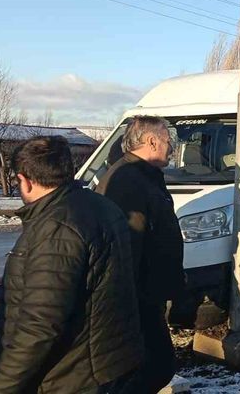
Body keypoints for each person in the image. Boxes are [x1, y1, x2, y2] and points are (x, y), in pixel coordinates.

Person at [0, 136, 141, 393]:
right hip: (104, 363)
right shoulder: (100, 206)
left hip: (70, 375)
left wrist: (4, 385)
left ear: (25, 181)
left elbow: (40, 324)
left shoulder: (57, 226)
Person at [96, 116, 185, 393]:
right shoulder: (128, 180)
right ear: (151, 141)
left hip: (147, 294)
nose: (171, 148)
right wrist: (127, 301)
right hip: (135, 298)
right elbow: (126, 245)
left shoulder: (143, 175)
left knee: (154, 365)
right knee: (156, 365)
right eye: (169, 142)